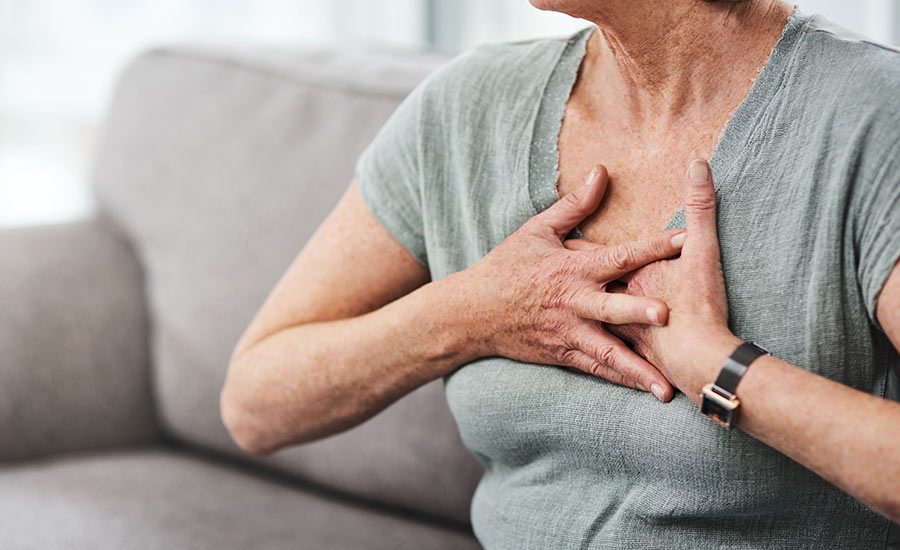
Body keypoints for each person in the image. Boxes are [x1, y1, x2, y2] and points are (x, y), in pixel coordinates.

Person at [220, 0, 900, 547]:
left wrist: (718, 369)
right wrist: (467, 315)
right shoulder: (464, 110)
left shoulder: (871, 117)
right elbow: (256, 406)